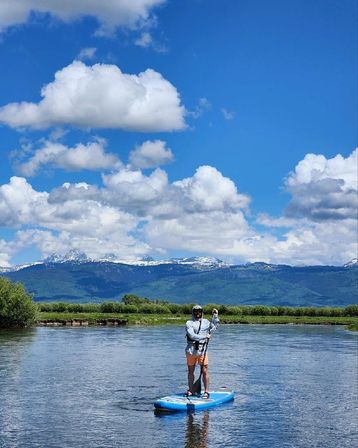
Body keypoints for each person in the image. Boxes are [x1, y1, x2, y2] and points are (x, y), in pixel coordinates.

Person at [185, 304, 219, 399]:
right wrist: (204, 336)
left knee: (204, 370)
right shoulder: (189, 323)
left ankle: (206, 392)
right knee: (191, 371)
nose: (197, 313)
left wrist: (215, 316)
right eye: (195, 311)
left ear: (202, 312)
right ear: (193, 312)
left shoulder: (206, 322)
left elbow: (213, 328)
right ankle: (191, 390)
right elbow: (191, 335)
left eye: (199, 311)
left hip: (202, 350)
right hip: (191, 350)